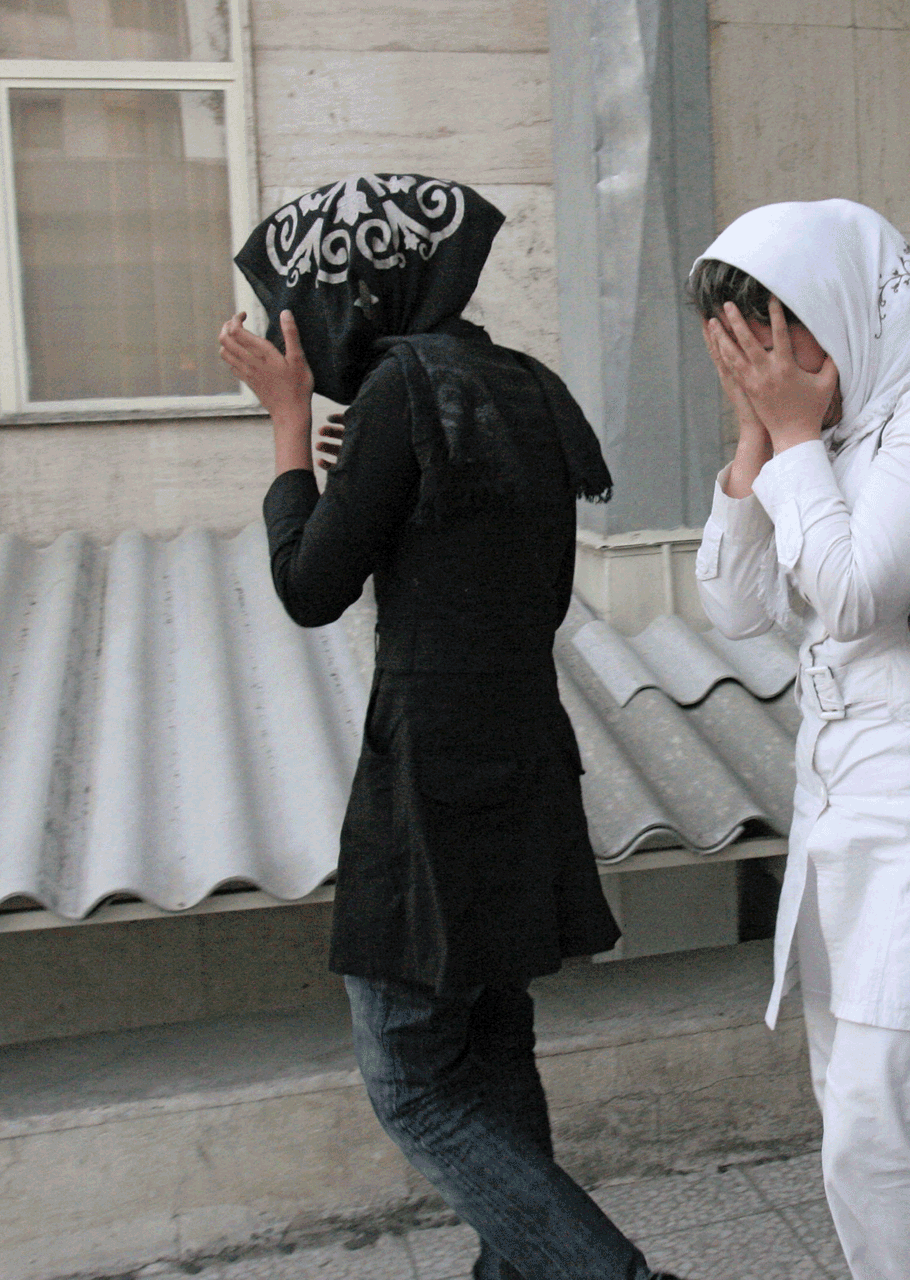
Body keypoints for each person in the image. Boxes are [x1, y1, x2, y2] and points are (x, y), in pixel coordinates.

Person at [217, 173, 679, 1280]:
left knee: (416, 1082)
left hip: (433, 769)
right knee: (491, 1039)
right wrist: (357, 470)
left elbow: (308, 585)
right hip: (523, 747)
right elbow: (475, 547)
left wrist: (289, 424)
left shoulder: (397, 390)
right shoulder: (514, 382)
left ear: (351, 292)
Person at [690, 199, 910, 1280]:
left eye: (790, 334)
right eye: (757, 348)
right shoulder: (827, 425)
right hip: (842, 799)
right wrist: (759, 434)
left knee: (881, 1124)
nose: (783, 363)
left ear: (840, 308)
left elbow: (850, 593)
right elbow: (738, 604)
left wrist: (792, 439)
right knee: (858, 1115)